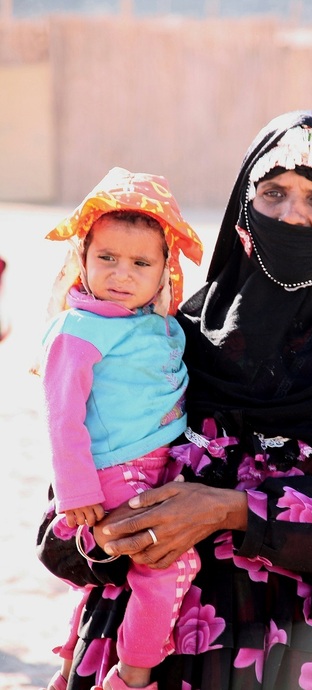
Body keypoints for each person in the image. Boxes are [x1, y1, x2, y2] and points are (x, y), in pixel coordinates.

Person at [37, 111, 312, 690]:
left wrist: (232, 508)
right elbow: (60, 520)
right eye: (273, 192)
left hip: (275, 654)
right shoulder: (169, 336)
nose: (292, 214)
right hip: (131, 650)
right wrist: (106, 536)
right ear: (243, 210)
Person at [38, 167, 203, 690]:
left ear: (164, 272)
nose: (121, 273)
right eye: (106, 257)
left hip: (157, 465)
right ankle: (132, 677)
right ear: (82, 259)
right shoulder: (78, 329)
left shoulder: (158, 324)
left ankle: (71, 662)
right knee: (170, 565)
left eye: (140, 263)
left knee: (114, 581)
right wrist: (76, 491)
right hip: (113, 471)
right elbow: (61, 414)